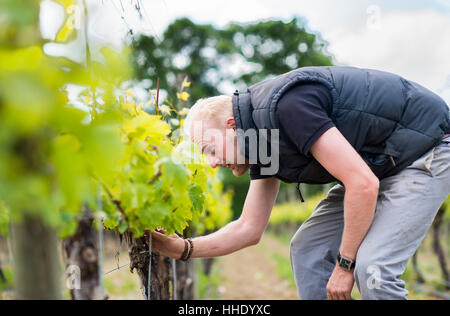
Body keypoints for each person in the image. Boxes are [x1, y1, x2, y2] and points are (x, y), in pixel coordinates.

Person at [151, 66, 450, 300]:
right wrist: (183, 249)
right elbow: (248, 228)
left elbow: (362, 185)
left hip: (426, 149)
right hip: (382, 165)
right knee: (308, 248)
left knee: (374, 269)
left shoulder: (287, 107)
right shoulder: (260, 141)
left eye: (211, 149)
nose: (213, 163)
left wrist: (345, 267)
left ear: (231, 126)